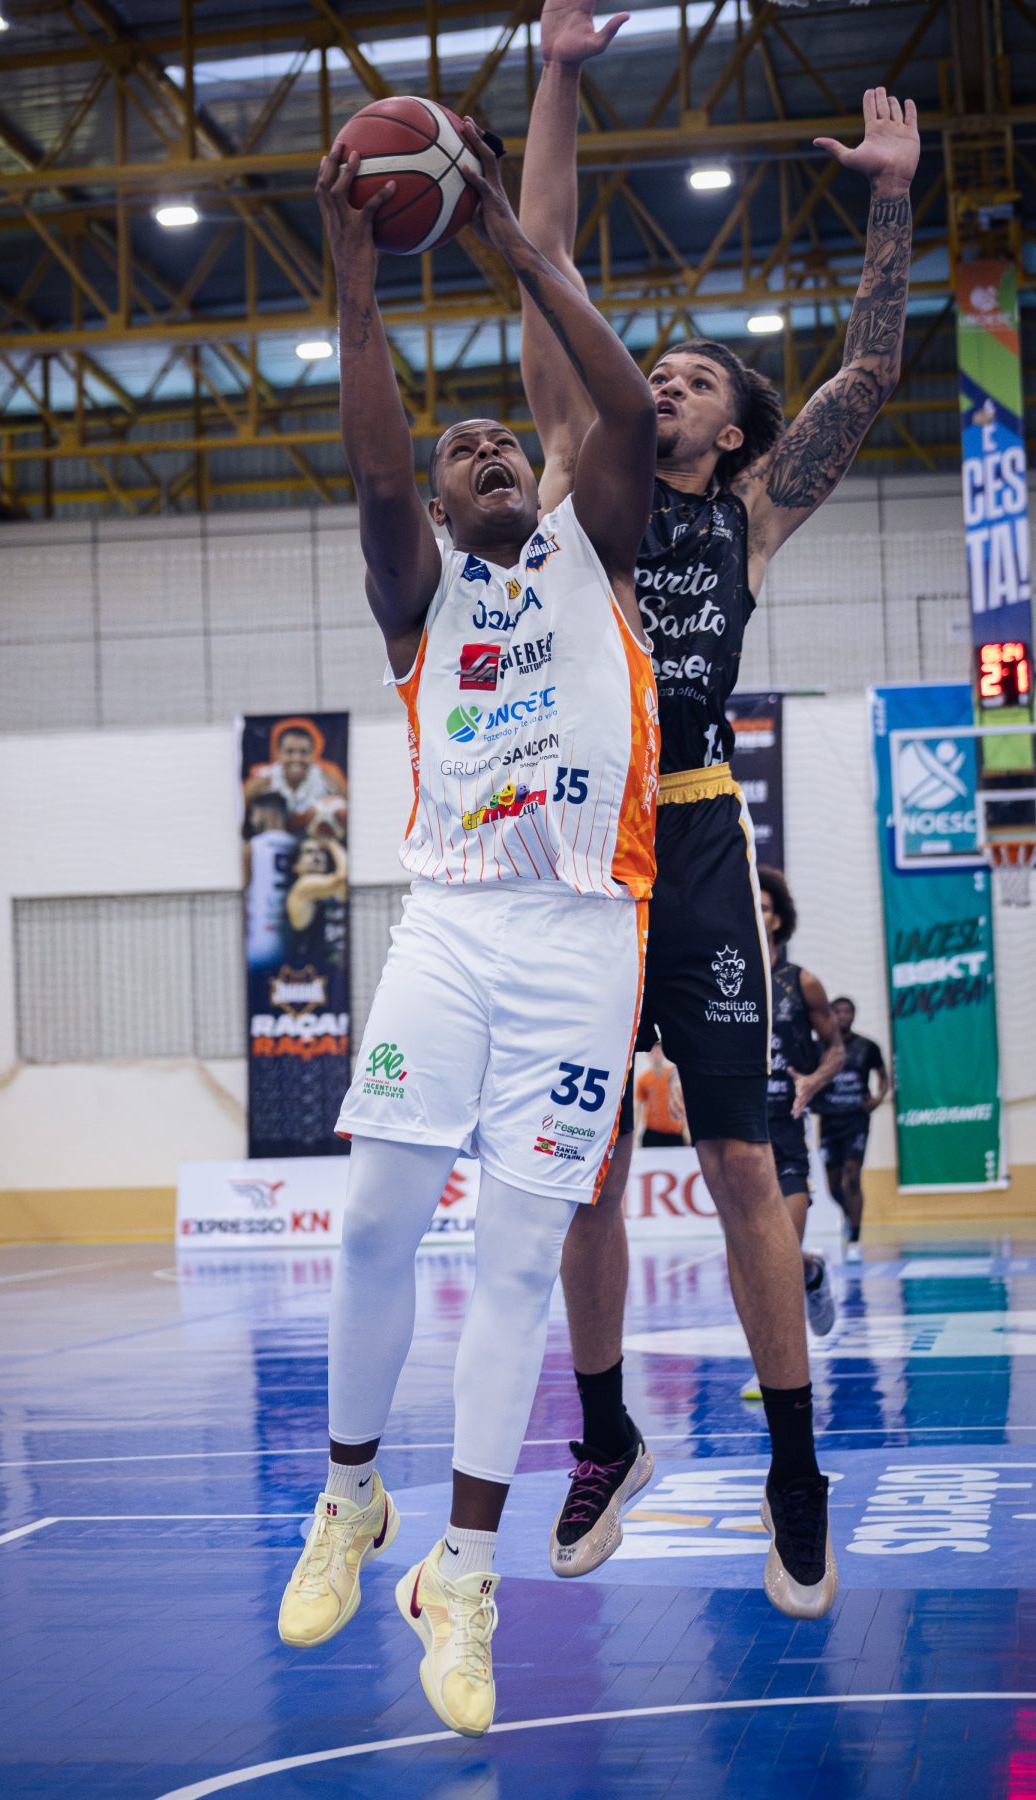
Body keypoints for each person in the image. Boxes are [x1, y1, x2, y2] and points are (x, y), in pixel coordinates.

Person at [520, 0, 918, 1616]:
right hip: (569, 848)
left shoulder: (748, 514)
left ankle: (794, 1467)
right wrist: (556, 75)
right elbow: (546, 256)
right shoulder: (576, 467)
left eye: (688, 379)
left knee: (746, 1166)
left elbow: (872, 369)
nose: (661, 385)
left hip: (688, 837)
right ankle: (608, 1435)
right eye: (655, 373)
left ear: (733, 426)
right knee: (585, 1167)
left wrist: (891, 199)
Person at [278, 122, 659, 1738]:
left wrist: (518, 245)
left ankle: (468, 1572)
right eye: (462, 451)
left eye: (504, 439)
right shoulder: (417, 597)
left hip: (583, 940)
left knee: (514, 1268)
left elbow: (624, 415)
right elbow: (375, 467)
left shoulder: (595, 550)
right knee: (376, 1223)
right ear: (438, 509)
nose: (487, 448)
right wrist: (357, 276)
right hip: (450, 927)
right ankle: (349, 1496)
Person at [760, 865, 844, 1338]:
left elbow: (836, 1049)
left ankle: (776, 1367)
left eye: (765, 908)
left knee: (777, 1258)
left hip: (787, 1133)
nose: (756, 914)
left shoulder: (802, 982)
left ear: (778, 919)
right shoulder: (721, 980)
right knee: (758, 1259)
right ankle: (811, 1271)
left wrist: (813, 1080)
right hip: (739, 1135)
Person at [815, 997, 891, 1261]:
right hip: (829, 1119)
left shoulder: (867, 1046)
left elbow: (884, 1076)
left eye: (848, 1011)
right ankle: (849, 1214)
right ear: (830, 1014)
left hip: (856, 1119)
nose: (843, 1015)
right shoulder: (819, 1047)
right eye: (838, 1011)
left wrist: (878, 1098)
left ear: (854, 1015)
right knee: (833, 1184)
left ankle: (856, 1237)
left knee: (853, 1174)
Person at [244, 717, 348, 834]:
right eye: (290, 752)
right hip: (273, 840)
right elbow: (239, 817)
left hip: (315, 839)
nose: (297, 758)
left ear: (313, 754)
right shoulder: (261, 782)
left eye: (304, 752)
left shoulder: (328, 779)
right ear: (278, 753)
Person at [243, 791, 296, 972]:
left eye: (253, 814)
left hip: (260, 938)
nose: (251, 821)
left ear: (267, 813)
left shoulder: (252, 847)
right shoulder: (298, 845)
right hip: (291, 938)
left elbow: (242, 892)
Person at [286, 834, 348, 969]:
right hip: (310, 973)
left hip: (334, 970)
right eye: (309, 852)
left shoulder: (331, 889)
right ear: (295, 866)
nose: (316, 856)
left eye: (321, 851)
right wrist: (331, 842)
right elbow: (342, 877)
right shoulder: (302, 886)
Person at [632, 1041, 688, 1148]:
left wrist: (686, 1130)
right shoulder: (643, 1079)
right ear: (648, 1054)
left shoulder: (674, 1076)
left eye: (659, 1049)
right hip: (652, 1134)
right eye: (653, 1049)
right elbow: (637, 1109)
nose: (656, 1052)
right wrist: (633, 1136)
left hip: (675, 1134)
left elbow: (683, 1103)